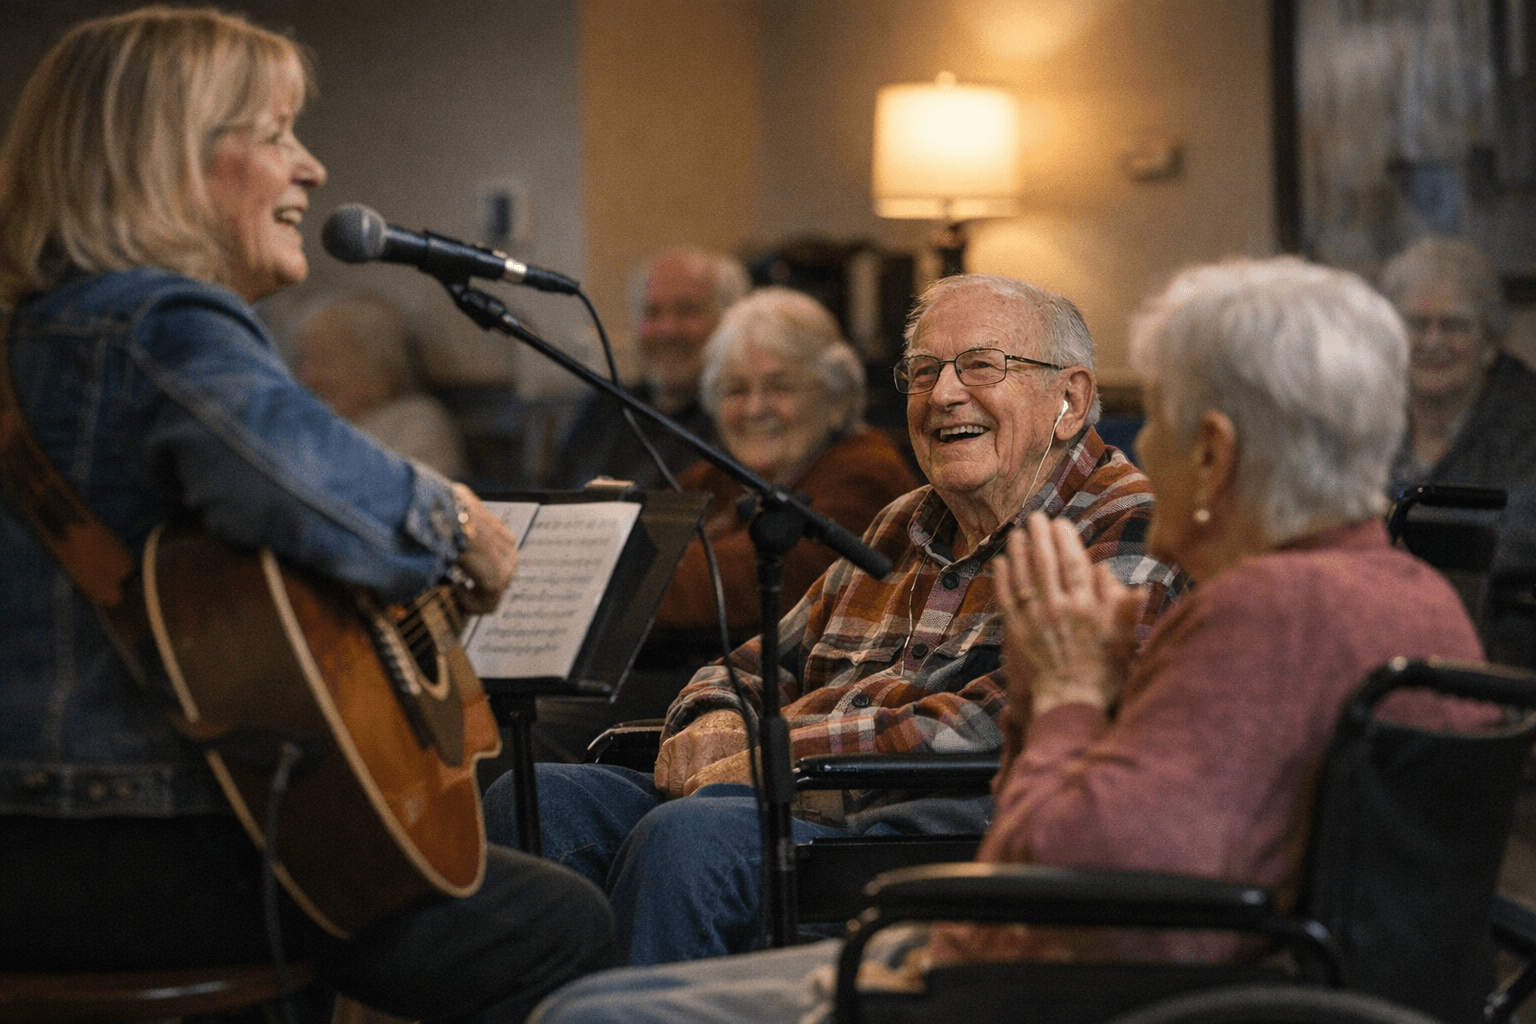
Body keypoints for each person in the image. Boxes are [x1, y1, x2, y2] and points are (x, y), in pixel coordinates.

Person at [521, 256, 1500, 1024]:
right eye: (925, 370)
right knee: (549, 807)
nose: (1139, 448)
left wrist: (1066, 695)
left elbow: (1077, 865)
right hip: (1148, 960)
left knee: (591, 1007)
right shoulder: (1413, 598)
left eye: (1154, 417)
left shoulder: (1261, 609)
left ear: (1213, 451)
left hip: (1059, 979)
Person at [0, 8, 616, 1023]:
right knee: (560, 920)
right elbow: (321, 496)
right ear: (171, 158)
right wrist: (457, 525)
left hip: (40, 843)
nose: (313, 168)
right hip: (131, 844)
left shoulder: (38, 335)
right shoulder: (162, 320)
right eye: (277, 133)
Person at [484, 272, 1190, 965]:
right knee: (538, 801)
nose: (944, 394)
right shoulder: (905, 521)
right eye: (923, 372)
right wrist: (719, 719)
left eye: (981, 366)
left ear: (1070, 399)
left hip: (940, 831)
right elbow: (754, 665)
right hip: (797, 798)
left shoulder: (1129, 525)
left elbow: (1012, 721)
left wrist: (782, 752)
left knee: (693, 837)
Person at [651, 285, 919, 640]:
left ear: (837, 397)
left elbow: (755, 582)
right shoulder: (715, 478)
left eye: (780, 387)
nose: (755, 409)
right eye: (735, 390)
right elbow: (644, 541)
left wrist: (625, 574)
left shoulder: (866, 472)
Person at [1377, 234, 1536, 573]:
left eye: (1455, 325)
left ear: (1490, 343)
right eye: (1417, 324)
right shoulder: (1365, 418)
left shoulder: (1527, 424)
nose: (1433, 341)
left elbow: (1518, 550)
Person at [545, 247, 750, 490]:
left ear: (730, 322)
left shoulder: (741, 418)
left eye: (687, 311)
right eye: (652, 312)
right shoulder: (604, 409)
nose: (667, 329)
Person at [287, 292, 468, 478]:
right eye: (303, 361)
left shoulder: (415, 421)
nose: (309, 376)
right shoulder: (307, 422)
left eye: (324, 359)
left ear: (380, 366)